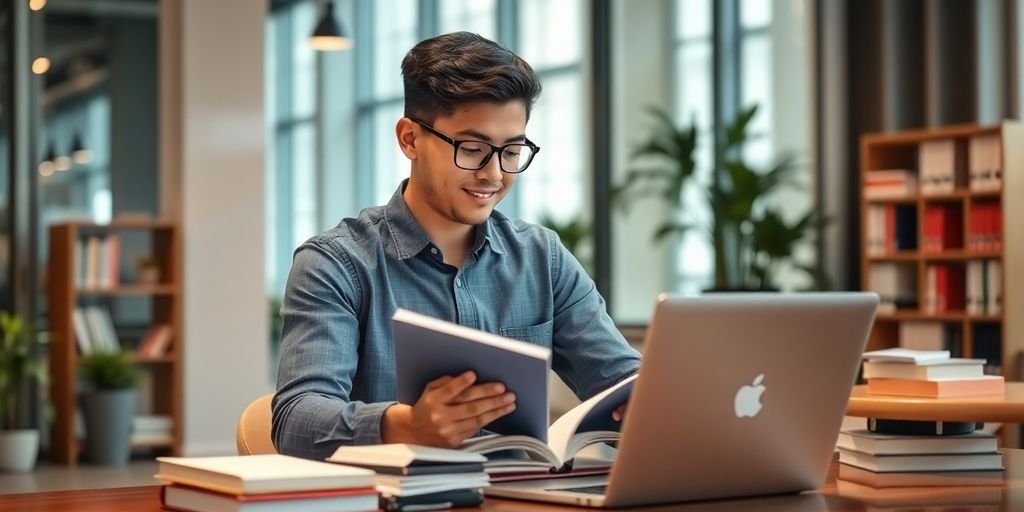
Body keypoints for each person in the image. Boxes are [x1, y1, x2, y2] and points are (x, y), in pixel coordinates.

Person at [272, 31, 640, 460]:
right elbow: (295, 420)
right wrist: (406, 426)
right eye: (472, 148)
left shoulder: (543, 258)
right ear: (410, 138)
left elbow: (623, 381)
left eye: (512, 151)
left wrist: (652, 404)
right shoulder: (336, 264)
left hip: (524, 499)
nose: (494, 174)